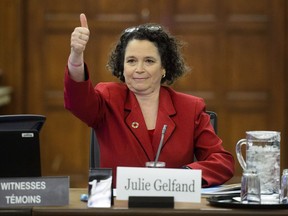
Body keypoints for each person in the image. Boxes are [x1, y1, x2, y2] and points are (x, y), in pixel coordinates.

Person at [64, 13, 235, 188]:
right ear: (122, 67)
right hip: (119, 208)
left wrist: (184, 176)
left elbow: (222, 162)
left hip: (173, 206)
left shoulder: (190, 108)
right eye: (131, 61)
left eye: (149, 61)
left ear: (164, 68)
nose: (139, 69)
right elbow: (78, 102)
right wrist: (76, 56)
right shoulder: (108, 97)